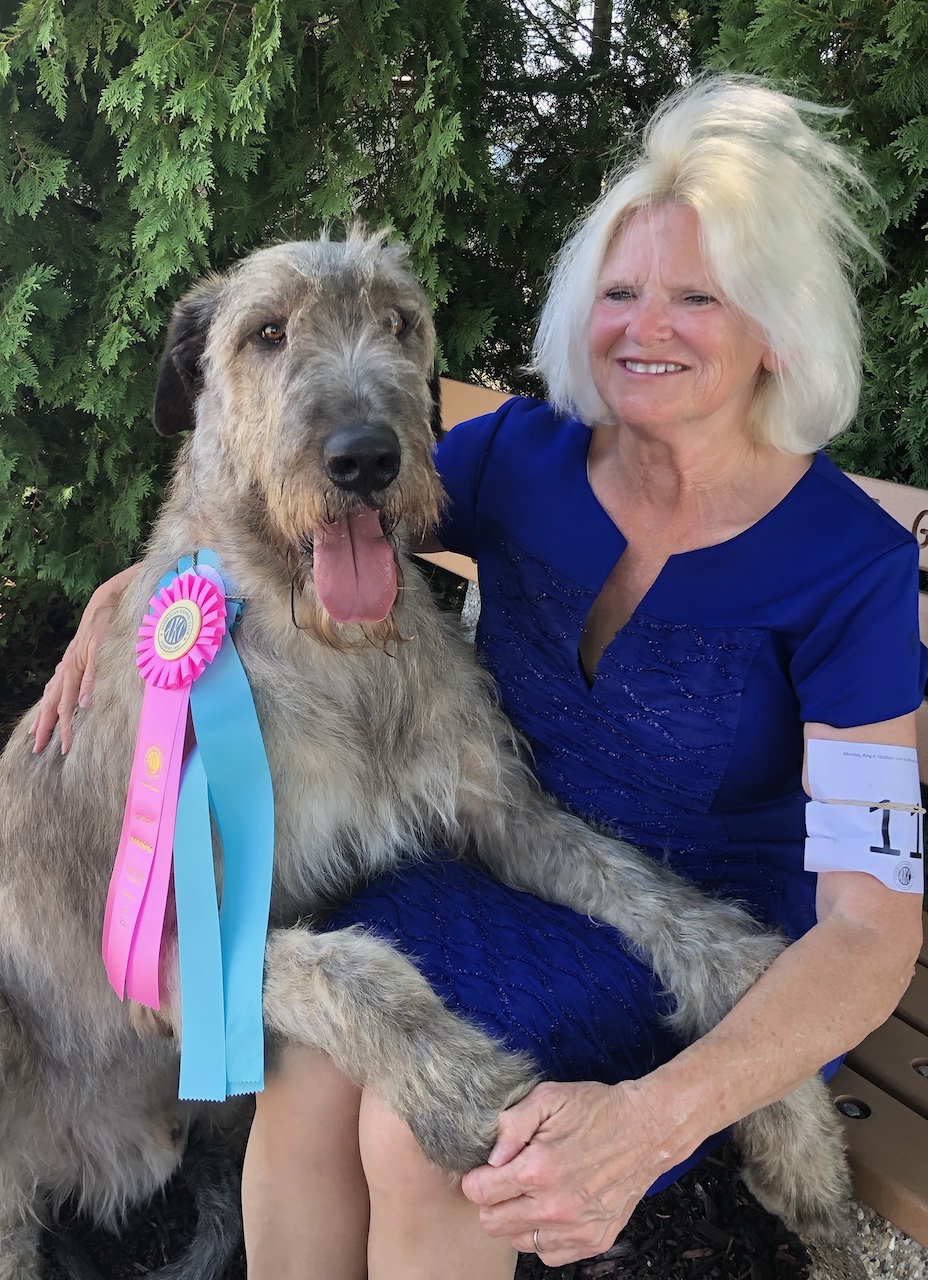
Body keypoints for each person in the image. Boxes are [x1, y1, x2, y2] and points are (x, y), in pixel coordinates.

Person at [34, 76, 926, 1279]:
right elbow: (299, 473)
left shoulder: (851, 565)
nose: (646, 327)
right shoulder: (523, 459)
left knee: (429, 1138)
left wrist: (653, 1119)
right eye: (620, 292)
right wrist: (131, 599)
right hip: (503, 857)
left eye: (698, 296)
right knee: (306, 1070)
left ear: (778, 326)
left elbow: (872, 927)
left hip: (714, 924)